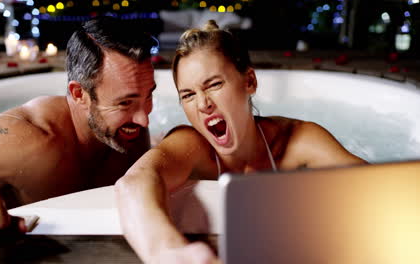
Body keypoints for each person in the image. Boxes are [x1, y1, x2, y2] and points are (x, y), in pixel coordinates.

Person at [115, 20, 367, 263]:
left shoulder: (295, 139)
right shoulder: (192, 144)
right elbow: (134, 181)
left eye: (214, 84)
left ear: (249, 82)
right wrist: (168, 251)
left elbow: (373, 185)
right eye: (188, 95)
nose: (203, 104)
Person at [0, 16, 157, 246]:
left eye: (148, 95)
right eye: (125, 103)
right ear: (79, 94)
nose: (144, 118)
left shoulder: (129, 129)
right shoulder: (24, 139)